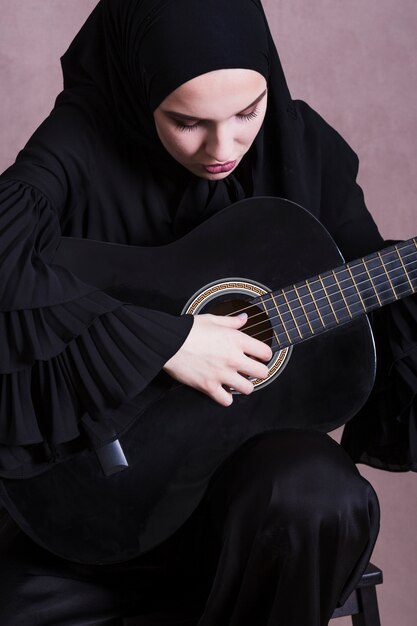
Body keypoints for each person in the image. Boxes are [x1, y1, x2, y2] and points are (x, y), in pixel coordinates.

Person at [0, 0, 415, 624]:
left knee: (320, 493)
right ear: (144, 94)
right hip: (90, 504)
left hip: (252, 517)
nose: (224, 147)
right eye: (187, 121)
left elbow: (371, 295)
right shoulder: (82, 140)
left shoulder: (301, 146)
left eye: (248, 112)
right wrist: (164, 342)